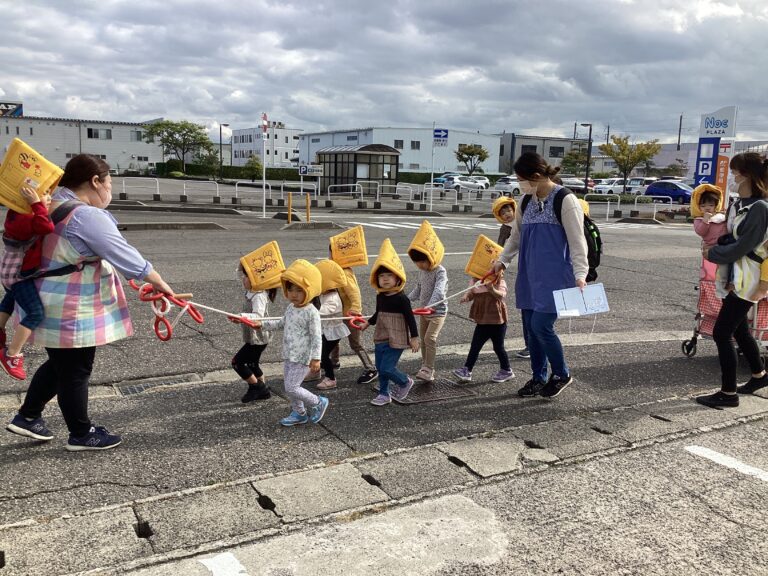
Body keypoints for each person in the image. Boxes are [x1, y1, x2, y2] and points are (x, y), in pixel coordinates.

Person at [5, 154, 174, 450]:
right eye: (109, 183)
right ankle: (82, 434)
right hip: (72, 306)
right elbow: (126, 256)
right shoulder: (85, 215)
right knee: (76, 369)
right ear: (95, 181)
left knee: (60, 364)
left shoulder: (49, 202)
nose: (109, 190)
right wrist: (160, 283)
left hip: (45, 298)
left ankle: (28, 417)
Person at [492, 152, 588, 399]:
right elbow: (516, 237)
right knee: (531, 330)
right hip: (529, 276)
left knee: (541, 326)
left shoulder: (565, 200)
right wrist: (502, 261)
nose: (519, 184)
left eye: (521, 179)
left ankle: (561, 373)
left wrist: (581, 274)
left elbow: (578, 242)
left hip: (555, 277)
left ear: (536, 176)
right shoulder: (526, 200)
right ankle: (538, 376)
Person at [699, 152, 768, 407]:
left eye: (736, 171)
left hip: (749, 279)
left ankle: (728, 393)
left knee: (722, 331)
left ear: (747, 174)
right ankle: (759, 375)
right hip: (735, 276)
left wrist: (713, 253)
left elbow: (745, 245)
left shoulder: (760, 207)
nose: (733, 176)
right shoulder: (740, 203)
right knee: (739, 328)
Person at [248, 260, 329, 426]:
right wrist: (261, 324)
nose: (294, 294)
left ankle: (318, 402)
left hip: (303, 357)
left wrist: (316, 358)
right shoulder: (292, 308)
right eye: (291, 289)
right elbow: (281, 323)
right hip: (289, 354)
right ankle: (299, 413)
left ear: (310, 290)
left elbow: (316, 337)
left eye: (299, 290)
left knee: (292, 387)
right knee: (289, 386)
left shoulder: (311, 313)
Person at [0, 187, 55, 379]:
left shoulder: (16, 212)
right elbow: (46, 227)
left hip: (11, 271)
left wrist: (36, 203)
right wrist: (37, 205)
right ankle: (11, 355)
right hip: (18, 274)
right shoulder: (25, 217)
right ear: (27, 199)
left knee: (9, 300)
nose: (49, 198)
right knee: (35, 312)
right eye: (45, 194)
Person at [358, 239, 419, 406]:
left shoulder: (402, 298)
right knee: (380, 367)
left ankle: (405, 381)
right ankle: (384, 394)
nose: (384, 279)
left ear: (397, 277)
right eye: (381, 276)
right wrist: (367, 323)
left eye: (389, 275)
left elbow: (410, 318)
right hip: (381, 335)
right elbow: (379, 313)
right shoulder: (380, 296)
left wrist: (414, 337)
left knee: (387, 368)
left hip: (397, 337)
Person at [453, 271, 514, 383]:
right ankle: (467, 369)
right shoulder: (475, 281)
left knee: (498, 347)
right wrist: (466, 297)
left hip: (497, 321)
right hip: (483, 320)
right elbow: (471, 292)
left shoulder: (498, 281)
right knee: (475, 346)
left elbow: (501, 295)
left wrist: (491, 288)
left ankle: (506, 370)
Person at [407, 222, 447, 382]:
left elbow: (439, 290)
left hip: (437, 312)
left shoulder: (440, 271)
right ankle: (424, 365)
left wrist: (430, 305)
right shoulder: (422, 271)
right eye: (417, 263)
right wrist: (406, 300)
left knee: (430, 338)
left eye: (423, 262)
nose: (420, 265)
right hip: (424, 311)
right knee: (423, 339)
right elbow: (418, 288)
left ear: (432, 257)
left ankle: (429, 369)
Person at [232, 264, 274, 403]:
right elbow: (239, 273)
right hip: (254, 335)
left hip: (259, 336)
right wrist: (244, 263)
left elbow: (258, 315)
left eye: (246, 277)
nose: (242, 279)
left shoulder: (259, 295)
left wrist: (241, 316)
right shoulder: (251, 290)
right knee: (252, 364)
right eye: (243, 276)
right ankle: (264, 390)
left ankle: (256, 387)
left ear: (255, 279)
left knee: (237, 362)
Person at [493, 195, 529, 359]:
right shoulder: (505, 230)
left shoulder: (525, 218)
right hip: (525, 265)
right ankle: (531, 345)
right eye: (503, 212)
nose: (507, 213)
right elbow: (500, 250)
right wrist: (500, 266)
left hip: (534, 263)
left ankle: (533, 345)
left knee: (532, 309)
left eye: (509, 209)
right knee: (527, 307)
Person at [314, 259, 350, 390]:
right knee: (318, 352)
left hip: (334, 331)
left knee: (323, 354)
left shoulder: (333, 298)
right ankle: (316, 370)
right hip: (326, 330)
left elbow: (321, 311)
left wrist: (309, 310)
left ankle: (331, 378)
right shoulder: (323, 295)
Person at [692, 184, 728, 282]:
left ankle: (723, 283)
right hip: (711, 247)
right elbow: (700, 232)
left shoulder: (721, 216)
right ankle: (713, 285)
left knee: (724, 269)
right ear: (698, 207)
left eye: (711, 205)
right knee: (712, 271)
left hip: (725, 246)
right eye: (703, 206)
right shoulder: (699, 219)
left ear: (716, 205)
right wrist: (705, 221)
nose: (707, 208)